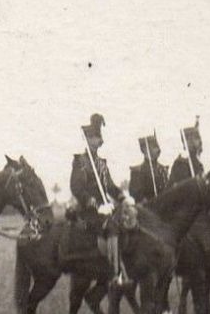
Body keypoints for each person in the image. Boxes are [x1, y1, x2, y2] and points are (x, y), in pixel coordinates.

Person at [70, 114, 128, 286]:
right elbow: (76, 187)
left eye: (97, 137)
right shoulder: (80, 161)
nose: (96, 141)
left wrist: (122, 196)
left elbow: (109, 185)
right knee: (112, 227)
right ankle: (114, 272)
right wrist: (91, 201)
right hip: (87, 210)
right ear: (87, 140)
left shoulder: (102, 163)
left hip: (104, 207)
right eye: (93, 137)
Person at [128, 132, 169, 202]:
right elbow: (135, 193)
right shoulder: (137, 171)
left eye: (157, 146)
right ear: (145, 149)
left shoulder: (163, 169)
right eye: (154, 147)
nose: (158, 150)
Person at [169, 119, 204, 184]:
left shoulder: (198, 162)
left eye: (197, 138)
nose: (192, 141)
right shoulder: (181, 163)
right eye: (188, 139)